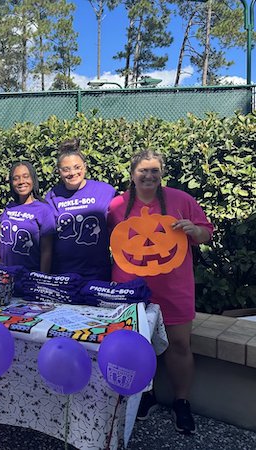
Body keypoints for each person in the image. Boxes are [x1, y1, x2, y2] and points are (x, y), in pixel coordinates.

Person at [108, 149, 213, 435]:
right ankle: (144, 395)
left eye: (154, 170)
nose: (149, 175)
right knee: (136, 345)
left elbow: (207, 233)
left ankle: (181, 401)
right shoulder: (117, 206)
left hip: (175, 288)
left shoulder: (181, 200)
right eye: (143, 170)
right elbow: (111, 240)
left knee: (179, 345)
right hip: (131, 290)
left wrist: (194, 230)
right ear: (132, 174)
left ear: (161, 173)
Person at [45, 138, 115, 280]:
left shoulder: (105, 191)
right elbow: (47, 237)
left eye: (77, 167)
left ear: (85, 167)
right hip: (63, 273)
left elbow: (128, 213)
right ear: (59, 171)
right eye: (66, 169)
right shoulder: (52, 196)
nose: (72, 173)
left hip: (98, 273)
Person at [0, 161, 55, 272]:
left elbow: (47, 251)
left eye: (26, 177)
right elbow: (2, 239)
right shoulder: (9, 207)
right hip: (5, 276)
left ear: (33, 179)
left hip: (29, 277)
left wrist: (42, 279)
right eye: (16, 178)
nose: (21, 182)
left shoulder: (44, 210)